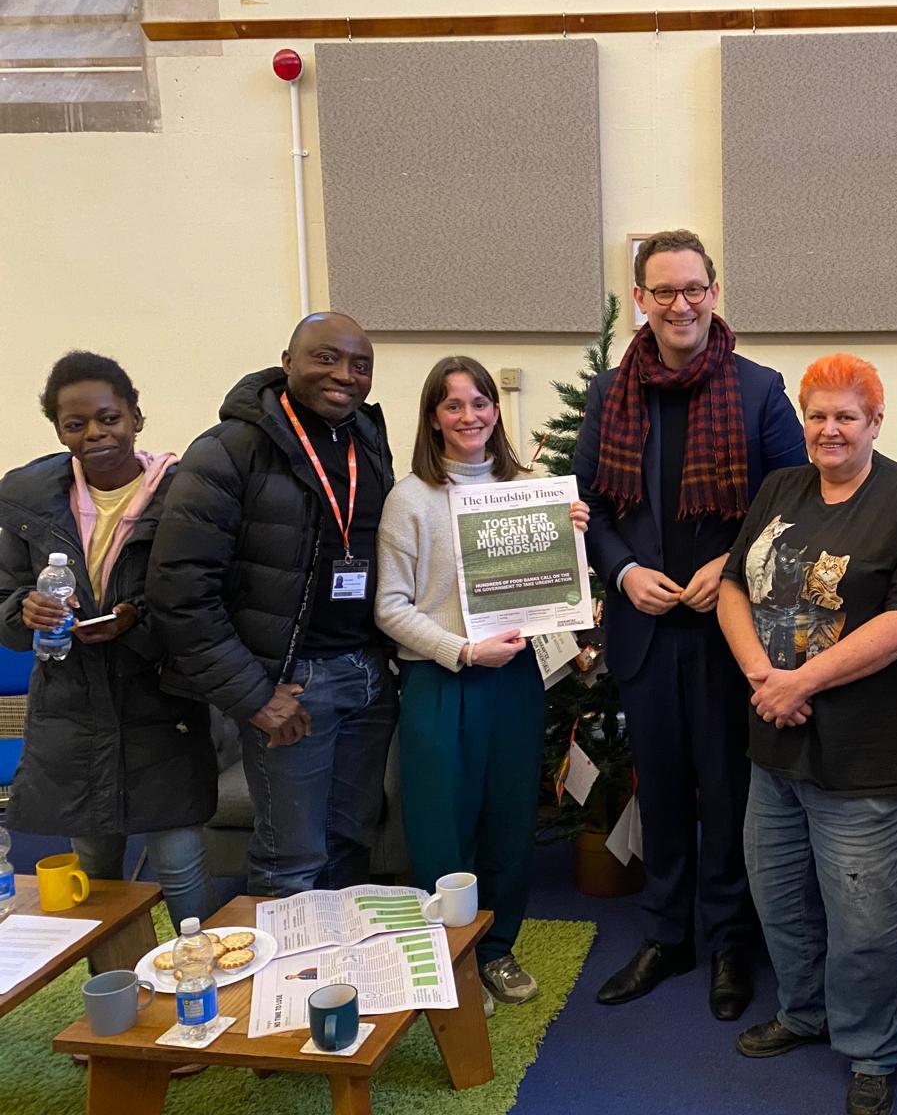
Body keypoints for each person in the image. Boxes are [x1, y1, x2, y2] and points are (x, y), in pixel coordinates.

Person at [574, 229, 807, 1020]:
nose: (680, 304)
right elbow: (595, 508)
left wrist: (733, 564)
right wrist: (625, 571)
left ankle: (731, 942)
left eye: (694, 289)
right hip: (644, 632)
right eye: (663, 291)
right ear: (640, 297)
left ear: (714, 291)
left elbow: (790, 504)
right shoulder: (612, 394)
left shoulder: (758, 388)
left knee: (730, 791)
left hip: (726, 633)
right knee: (664, 791)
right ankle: (667, 935)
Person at [719, 352, 897, 1115]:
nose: (829, 429)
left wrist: (801, 682)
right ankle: (804, 1013)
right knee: (780, 898)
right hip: (776, 740)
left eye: (845, 416)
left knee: (864, 924)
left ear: (875, 422)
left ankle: (868, 1050)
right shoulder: (780, 487)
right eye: (817, 415)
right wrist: (765, 678)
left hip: (869, 756)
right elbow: (732, 586)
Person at [148, 311, 397, 896]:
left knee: (349, 843)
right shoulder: (229, 449)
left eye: (360, 365)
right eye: (326, 358)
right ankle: (290, 984)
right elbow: (178, 591)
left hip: (365, 675)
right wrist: (253, 695)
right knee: (292, 858)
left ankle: (342, 976)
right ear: (287, 364)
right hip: (289, 685)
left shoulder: (365, 436)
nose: (345, 375)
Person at [376, 356, 590, 1011]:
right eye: (453, 405)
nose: (470, 416)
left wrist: (569, 543)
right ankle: (452, 961)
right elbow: (390, 608)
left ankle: (497, 953)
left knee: (509, 822)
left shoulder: (530, 487)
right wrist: (462, 651)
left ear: (496, 411)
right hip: (442, 685)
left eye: (480, 403)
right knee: (443, 830)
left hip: (516, 682)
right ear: (433, 419)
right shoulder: (410, 499)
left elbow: (548, 596)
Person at [0, 352, 216, 926]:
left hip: (161, 704)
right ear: (58, 430)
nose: (95, 434)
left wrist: (134, 618)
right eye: (76, 425)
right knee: (95, 870)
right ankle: (117, 996)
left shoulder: (183, 493)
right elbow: (6, 605)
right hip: (75, 710)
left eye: (109, 418)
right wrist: (26, 611)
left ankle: (202, 984)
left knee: (179, 864)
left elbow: (205, 596)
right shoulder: (27, 500)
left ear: (136, 416)